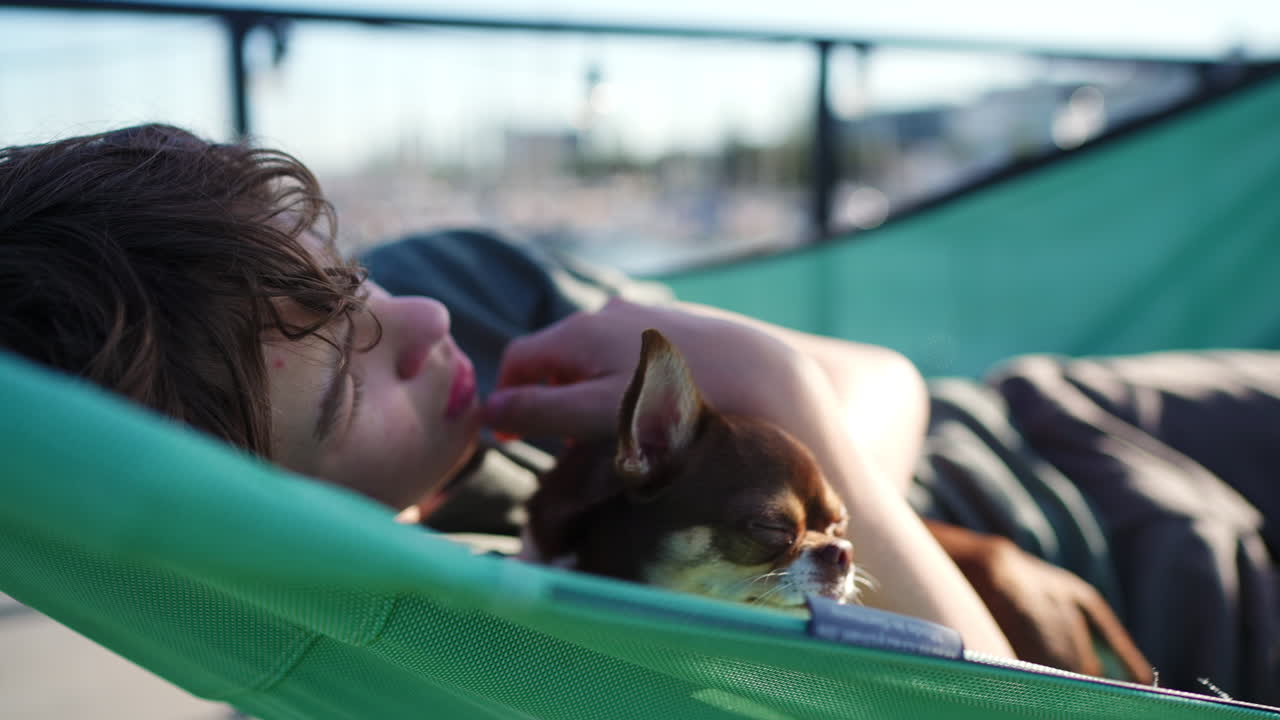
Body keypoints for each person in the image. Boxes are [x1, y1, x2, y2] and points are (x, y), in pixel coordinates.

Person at [3, 124, 1277, 703]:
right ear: (251, 525)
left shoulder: (482, 294)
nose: (426, 326)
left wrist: (791, 399)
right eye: (352, 383)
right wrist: (776, 401)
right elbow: (984, 705)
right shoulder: (447, 652)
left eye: (360, 282)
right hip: (1162, 586)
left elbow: (886, 379)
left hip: (1046, 416)